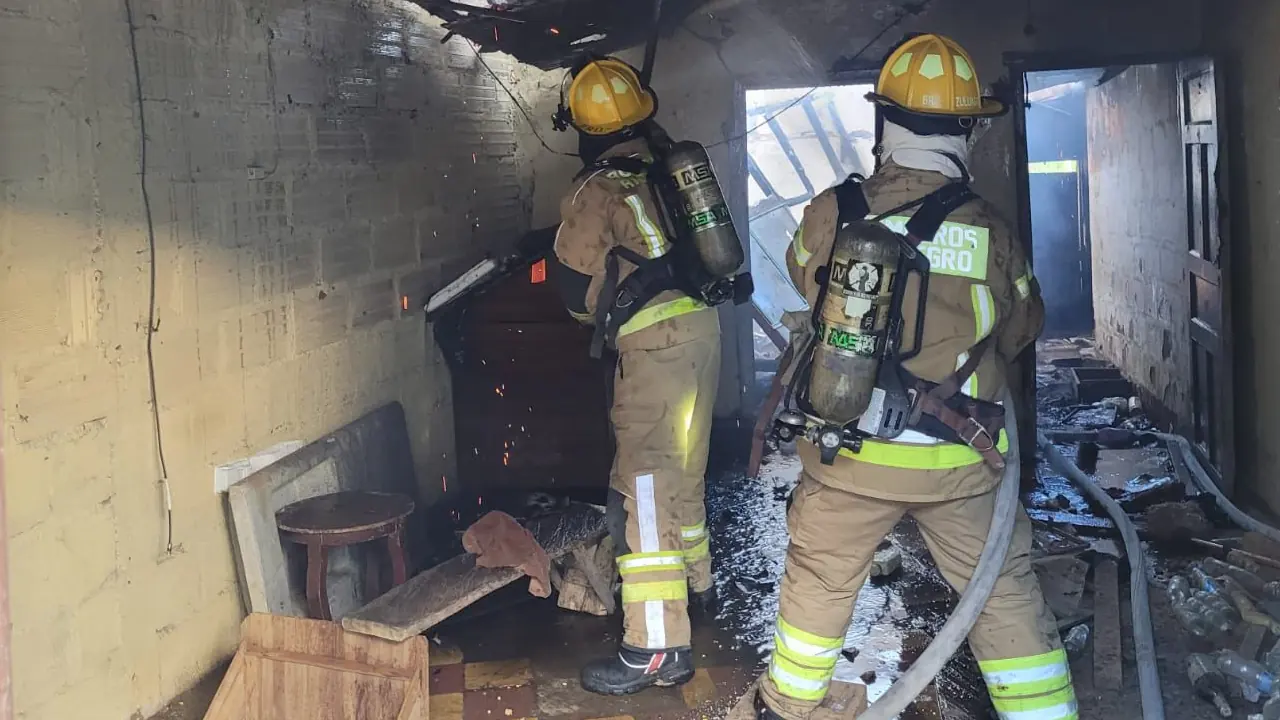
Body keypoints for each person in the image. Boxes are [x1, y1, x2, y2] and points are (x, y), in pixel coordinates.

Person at [759, 34, 1076, 720]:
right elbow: (1023, 328)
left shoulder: (833, 211)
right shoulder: (992, 229)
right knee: (1001, 596)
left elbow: (802, 276)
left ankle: (787, 708)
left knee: (818, 588)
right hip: (959, 461)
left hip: (848, 454)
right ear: (965, 130)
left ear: (885, 121)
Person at [548, 57, 720, 695]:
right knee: (685, 469)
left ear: (582, 128)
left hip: (654, 347)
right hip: (702, 333)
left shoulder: (595, 190)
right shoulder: (667, 169)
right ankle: (697, 586)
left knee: (643, 489)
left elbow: (573, 293)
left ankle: (654, 646)